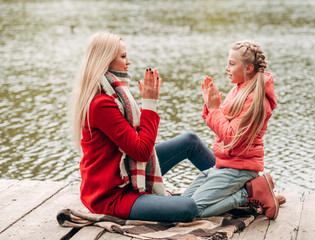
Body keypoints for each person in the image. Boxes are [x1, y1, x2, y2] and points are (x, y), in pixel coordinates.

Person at [69, 32, 217, 222]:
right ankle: (240, 193)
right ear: (105, 61)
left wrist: (147, 106)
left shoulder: (115, 95)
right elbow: (141, 151)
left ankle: (240, 184)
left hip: (127, 173)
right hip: (112, 195)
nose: (128, 62)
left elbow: (137, 143)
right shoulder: (101, 104)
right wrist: (149, 104)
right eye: (123, 56)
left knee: (190, 141)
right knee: (188, 208)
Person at [181, 40, 280, 220]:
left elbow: (231, 137)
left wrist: (213, 110)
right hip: (223, 165)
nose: (227, 68)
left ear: (249, 68)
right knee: (181, 205)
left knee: (192, 211)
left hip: (239, 169)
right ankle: (254, 193)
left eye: (232, 64)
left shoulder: (255, 100)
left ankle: (249, 195)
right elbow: (222, 124)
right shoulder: (238, 90)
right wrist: (210, 105)